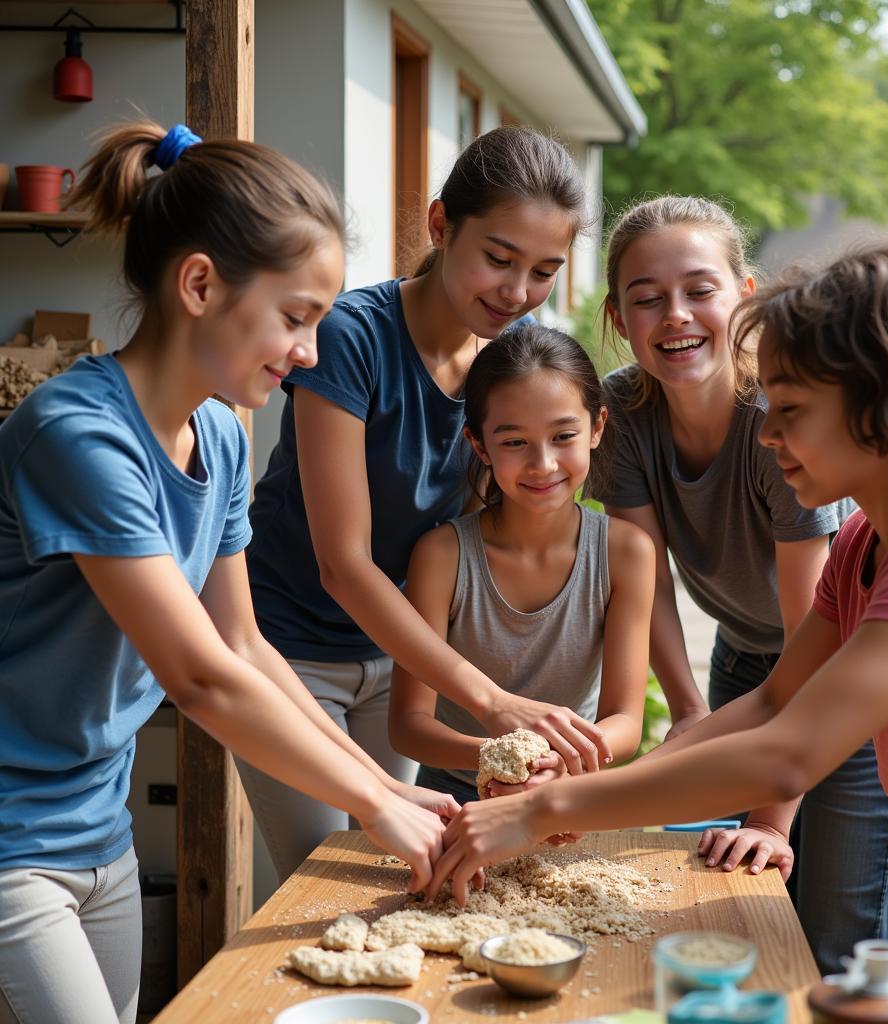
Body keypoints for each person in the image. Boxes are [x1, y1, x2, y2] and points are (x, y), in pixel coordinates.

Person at [428, 239, 888, 1024]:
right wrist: (567, 796)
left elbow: (786, 756)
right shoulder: (863, 541)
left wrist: (544, 811)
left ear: (881, 400)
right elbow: (775, 700)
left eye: (792, 409)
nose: (769, 433)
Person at [0, 121, 459, 1024]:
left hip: (101, 825)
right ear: (201, 284)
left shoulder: (216, 429)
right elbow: (201, 677)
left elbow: (244, 642)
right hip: (13, 841)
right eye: (296, 317)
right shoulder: (78, 435)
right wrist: (370, 801)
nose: (310, 352)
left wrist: (387, 783)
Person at [241, 126, 610, 883]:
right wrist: (489, 700)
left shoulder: (515, 348)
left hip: (399, 654)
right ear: (442, 226)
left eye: (544, 270)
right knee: (319, 878)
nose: (517, 292)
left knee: (395, 872)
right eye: (498, 258)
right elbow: (343, 564)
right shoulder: (352, 336)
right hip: (291, 646)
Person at [587, 196, 888, 972]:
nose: (675, 315)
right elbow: (644, 574)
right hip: (742, 667)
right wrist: (690, 710)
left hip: (848, 680)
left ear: (747, 296)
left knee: (829, 945)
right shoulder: (623, 413)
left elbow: (814, 644)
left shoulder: (776, 420)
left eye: (699, 288)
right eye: (646, 297)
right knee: (722, 915)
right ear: (618, 317)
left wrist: (769, 817)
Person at [389, 324, 654, 805]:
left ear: (596, 428)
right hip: (454, 800)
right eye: (514, 442)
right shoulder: (443, 556)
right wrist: (503, 760)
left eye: (564, 435)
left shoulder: (625, 552)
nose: (544, 464)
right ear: (479, 444)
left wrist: (551, 769)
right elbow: (409, 727)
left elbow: (626, 721)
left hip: (567, 795)